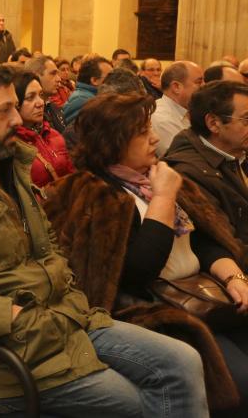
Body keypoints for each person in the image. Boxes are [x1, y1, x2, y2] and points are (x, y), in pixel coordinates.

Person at [0, 65, 208, 417]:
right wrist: (9, 315)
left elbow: (50, 249)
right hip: (10, 349)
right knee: (136, 405)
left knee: (183, 361)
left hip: (66, 319)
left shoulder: (9, 168)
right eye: (2, 110)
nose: (16, 119)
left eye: (15, 106)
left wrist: (70, 296)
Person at [44, 92, 248, 414]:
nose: (154, 138)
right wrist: (164, 199)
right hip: (156, 314)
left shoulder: (152, 179)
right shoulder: (93, 194)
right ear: (112, 142)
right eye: (142, 133)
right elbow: (139, 271)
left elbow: (204, 243)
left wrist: (234, 277)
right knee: (241, 384)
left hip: (205, 296)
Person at [164, 81, 248, 246]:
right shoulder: (189, 174)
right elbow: (230, 246)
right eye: (246, 119)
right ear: (213, 123)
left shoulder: (236, 151)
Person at [13, 71, 73, 188]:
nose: (40, 103)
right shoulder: (11, 144)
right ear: (15, 103)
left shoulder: (53, 134)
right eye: (30, 98)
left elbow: (71, 174)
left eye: (40, 95)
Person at [152, 61, 203, 155]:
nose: (204, 86)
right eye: (199, 82)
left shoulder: (189, 110)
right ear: (176, 87)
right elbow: (185, 158)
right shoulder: (162, 118)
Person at [62, 55, 113, 124]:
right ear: (94, 80)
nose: (113, 80)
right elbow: (76, 133)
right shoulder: (82, 100)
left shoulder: (91, 97)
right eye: (110, 77)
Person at [24, 55, 66, 133]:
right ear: (35, 75)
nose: (59, 79)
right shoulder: (29, 115)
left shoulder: (53, 107)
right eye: (53, 74)